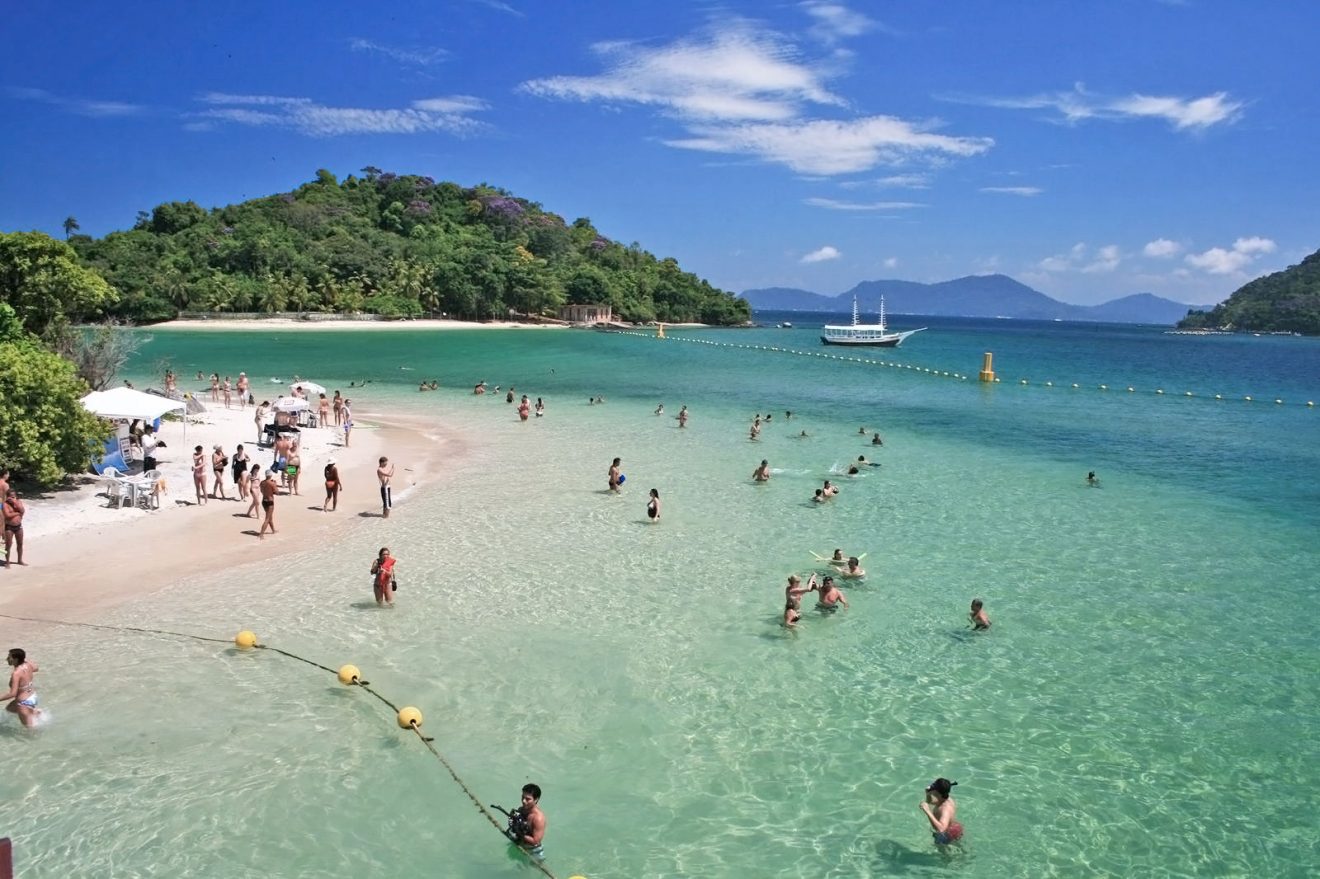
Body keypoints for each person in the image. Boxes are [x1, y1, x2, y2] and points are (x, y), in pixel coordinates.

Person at [3, 648, 42, 727]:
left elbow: (12, 694)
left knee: (31, 731)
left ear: (16, 659)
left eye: (9, 657)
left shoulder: (16, 673)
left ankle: (32, 713)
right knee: (9, 709)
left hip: (23, 703)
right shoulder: (28, 665)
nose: (7, 659)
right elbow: (36, 668)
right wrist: (23, 659)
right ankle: (34, 712)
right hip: (32, 696)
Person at [507, 783, 547, 855]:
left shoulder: (538, 818)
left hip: (534, 851)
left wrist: (519, 832)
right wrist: (513, 825)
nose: (523, 801)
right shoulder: (521, 809)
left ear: (536, 799)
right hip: (518, 844)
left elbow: (536, 841)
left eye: (528, 799)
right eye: (522, 797)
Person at [920, 778, 963, 846]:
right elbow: (930, 802)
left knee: (944, 855)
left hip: (947, 834)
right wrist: (928, 793)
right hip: (954, 828)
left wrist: (927, 811)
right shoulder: (945, 798)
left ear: (937, 793)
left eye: (933, 787)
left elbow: (941, 829)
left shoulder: (945, 808)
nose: (930, 787)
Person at [3, 489, 26, 566]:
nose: (12, 498)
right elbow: (7, 515)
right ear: (7, 497)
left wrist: (15, 502)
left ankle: (20, 560)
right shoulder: (5, 504)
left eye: (13, 496)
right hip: (9, 527)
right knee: (8, 545)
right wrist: (17, 513)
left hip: (19, 526)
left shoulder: (18, 502)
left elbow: (22, 511)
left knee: (20, 543)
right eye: (10, 497)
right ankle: (7, 562)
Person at [258, 470, 278, 538]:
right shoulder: (272, 483)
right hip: (270, 501)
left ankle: (273, 530)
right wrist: (275, 484)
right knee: (267, 518)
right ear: (271, 475)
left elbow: (261, 491)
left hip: (264, 501)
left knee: (270, 518)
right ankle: (261, 534)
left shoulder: (262, 483)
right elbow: (277, 492)